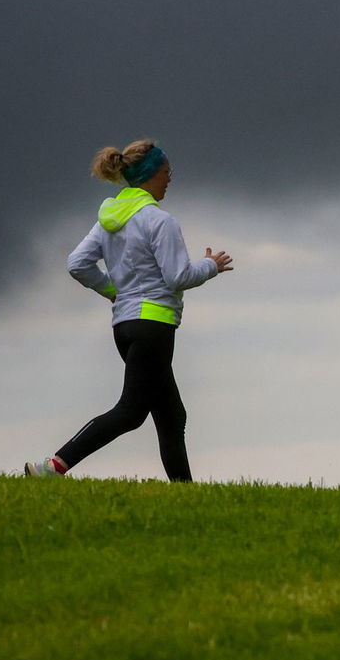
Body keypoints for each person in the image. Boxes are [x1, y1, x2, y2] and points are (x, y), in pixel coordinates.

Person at [25, 140, 233, 481]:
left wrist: (113, 291)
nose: (170, 179)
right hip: (154, 326)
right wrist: (210, 265)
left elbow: (77, 264)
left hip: (125, 326)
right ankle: (53, 468)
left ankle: (185, 494)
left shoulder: (109, 219)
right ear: (152, 175)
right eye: (167, 173)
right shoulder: (160, 221)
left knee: (171, 415)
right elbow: (178, 276)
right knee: (131, 412)